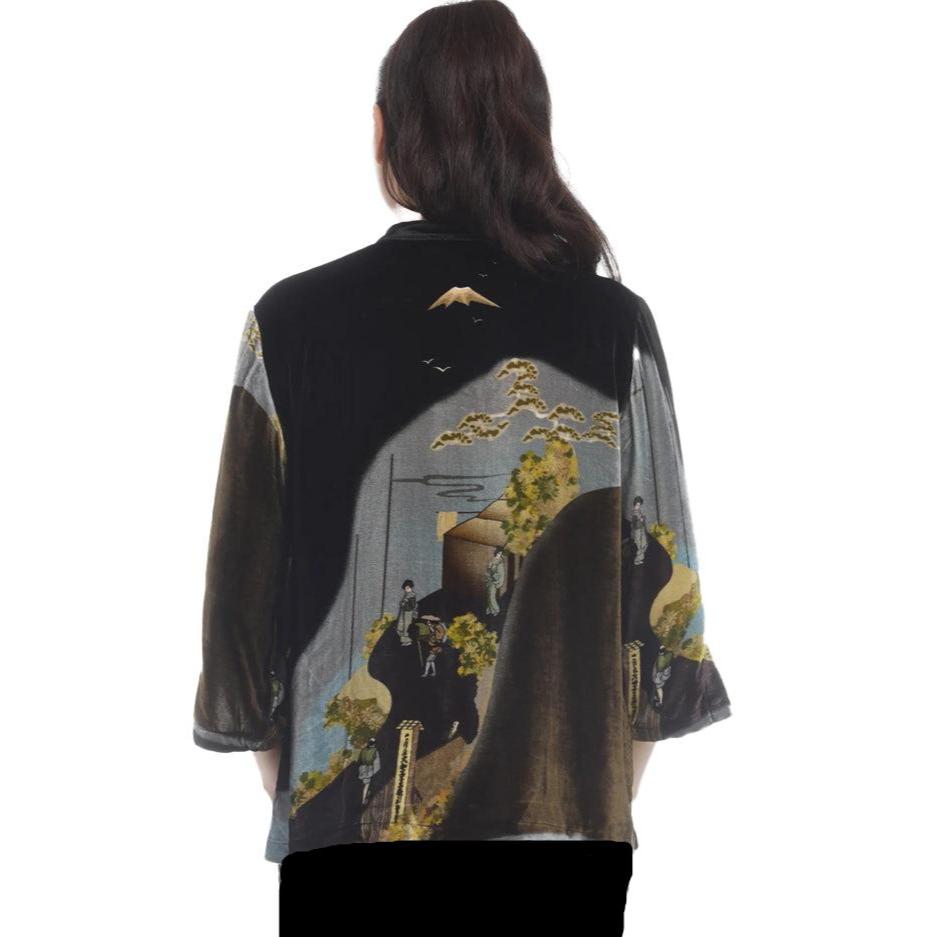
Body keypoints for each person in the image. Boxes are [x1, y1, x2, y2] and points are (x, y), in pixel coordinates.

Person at [191, 3, 732, 934]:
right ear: (532, 134)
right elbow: (664, 603)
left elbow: (239, 601)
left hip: (343, 842)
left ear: (382, 133)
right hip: (568, 845)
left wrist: (306, 787)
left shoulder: (290, 321)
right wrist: (592, 791)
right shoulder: (614, 328)